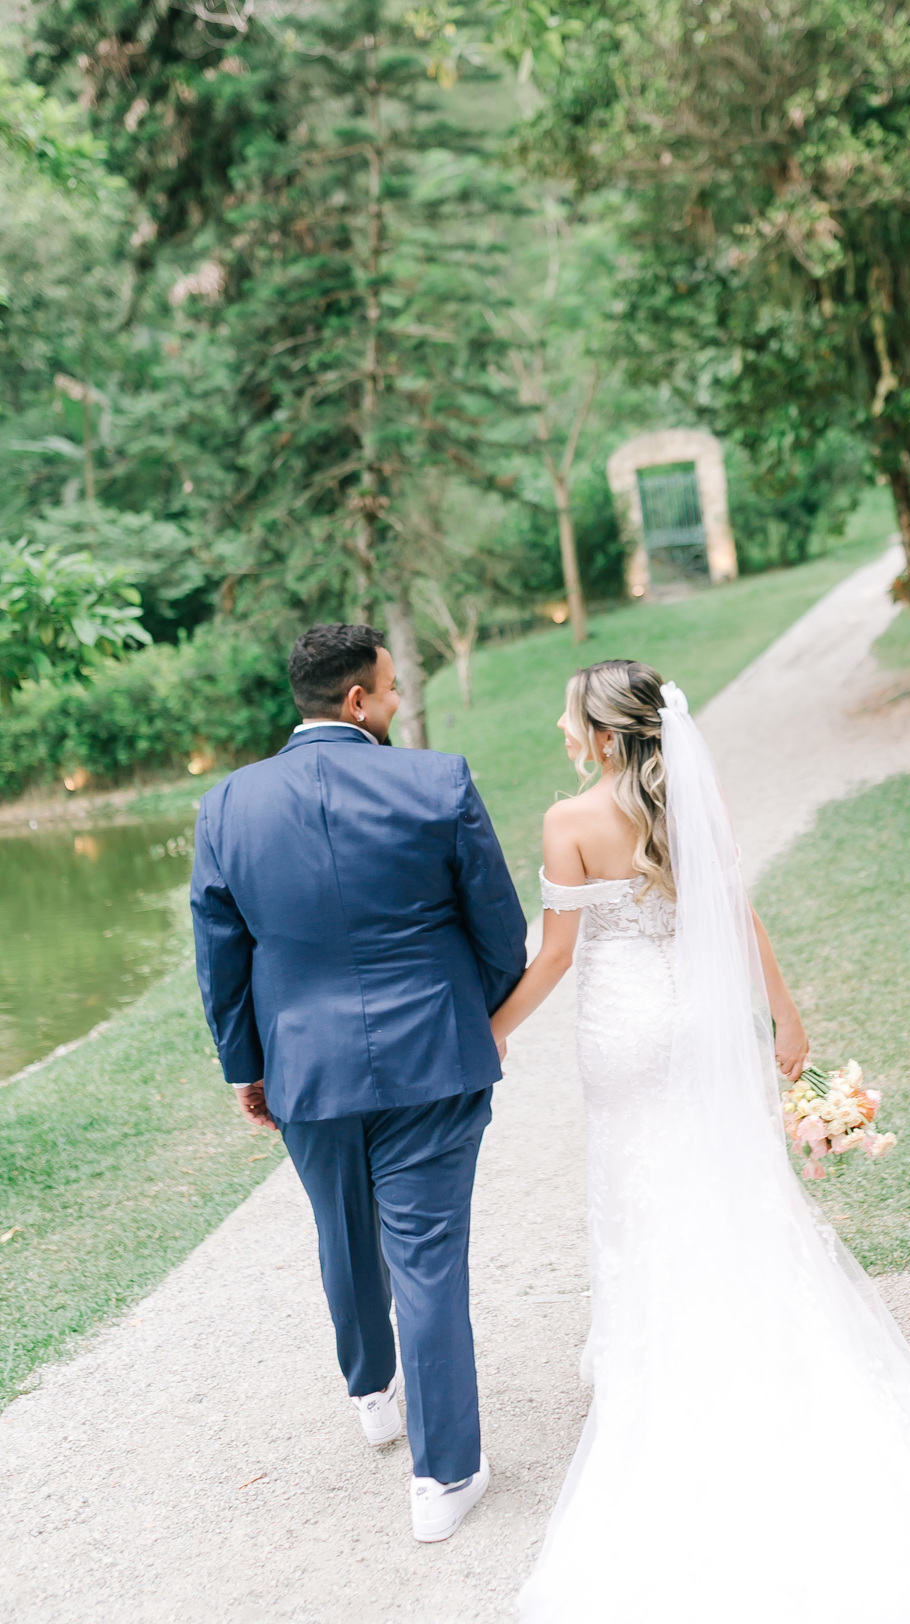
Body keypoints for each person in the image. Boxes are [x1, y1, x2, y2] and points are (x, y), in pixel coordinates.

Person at [491, 659, 910, 1624]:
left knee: (638, 1190)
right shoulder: (689, 803)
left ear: (605, 736)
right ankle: (753, 1336)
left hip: (623, 1034)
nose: (561, 730)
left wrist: (491, 1028)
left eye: (570, 717)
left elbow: (560, 954)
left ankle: (665, 1359)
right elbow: (735, 916)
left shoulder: (567, 822)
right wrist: (786, 1015)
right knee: (719, 1180)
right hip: (702, 1027)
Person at [191, 622, 527, 1544]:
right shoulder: (437, 780)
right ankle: (444, 1478)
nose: (395, 702)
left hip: (304, 1067)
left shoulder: (226, 807)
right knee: (428, 1256)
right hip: (432, 1060)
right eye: (389, 689)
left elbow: (221, 956)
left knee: (340, 1228)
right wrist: (478, 1021)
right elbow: (500, 930)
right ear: (356, 701)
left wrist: (246, 1068)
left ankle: (373, 1394)